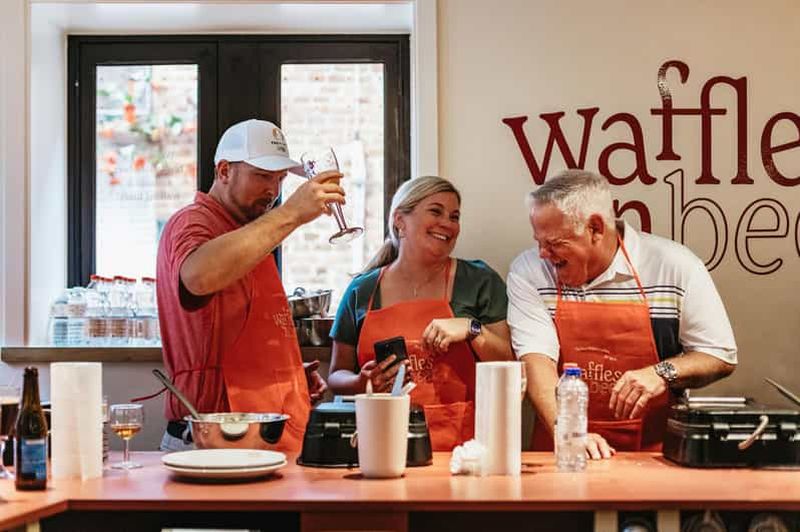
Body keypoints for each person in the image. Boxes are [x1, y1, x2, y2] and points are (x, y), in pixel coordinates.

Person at [508, 169, 737, 458]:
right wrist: (567, 432)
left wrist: (662, 373)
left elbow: (719, 355)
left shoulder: (676, 266)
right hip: (563, 454)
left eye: (554, 243)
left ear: (595, 228)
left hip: (655, 457)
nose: (542, 253)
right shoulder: (529, 271)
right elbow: (536, 359)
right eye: (538, 242)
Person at [156, 119, 339, 452]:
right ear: (224, 170)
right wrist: (292, 213)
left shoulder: (251, 232)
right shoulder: (192, 221)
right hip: (214, 441)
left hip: (260, 435)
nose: (273, 191)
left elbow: (235, 330)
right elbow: (198, 276)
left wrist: (289, 378)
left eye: (280, 179)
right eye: (263, 176)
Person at [327, 176, 514, 451]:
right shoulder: (362, 290)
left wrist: (471, 328)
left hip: (466, 448)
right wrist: (360, 382)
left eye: (455, 216)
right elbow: (336, 375)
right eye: (436, 211)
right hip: (380, 443)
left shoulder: (479, 281)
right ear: (400, 220)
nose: (448, 224)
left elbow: (507, 362)